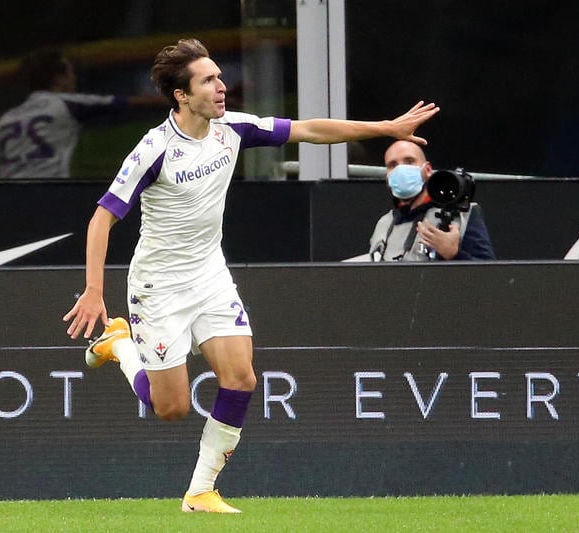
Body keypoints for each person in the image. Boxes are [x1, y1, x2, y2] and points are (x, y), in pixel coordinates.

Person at [62, 38, 438, 513]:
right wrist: (95, 290)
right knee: (170, 407)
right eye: (209, 81)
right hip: (158, 286)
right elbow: (102, 218)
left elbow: (310, 130)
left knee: (241, 378)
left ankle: (200, 491)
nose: (222, 87)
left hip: (210, 274)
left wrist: (384, 127)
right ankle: (120, 345)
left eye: (220, 77)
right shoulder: (154, 149)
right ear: (181, 95)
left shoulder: (233, 128)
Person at [0, 48, 161, 179]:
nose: (73, 78)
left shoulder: (5, 120)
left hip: (5, 197)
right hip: (49, 193)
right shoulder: (65, 104)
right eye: (70, 73)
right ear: (59, 79)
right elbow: (130, 103)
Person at [369, 140, 496, 261]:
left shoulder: (461, 216)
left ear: (428, 170)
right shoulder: (384, 224)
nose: (401, 170)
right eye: (393, 165)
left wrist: (454, 254)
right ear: (387, 177)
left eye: (409, 161)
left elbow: (490, 275)